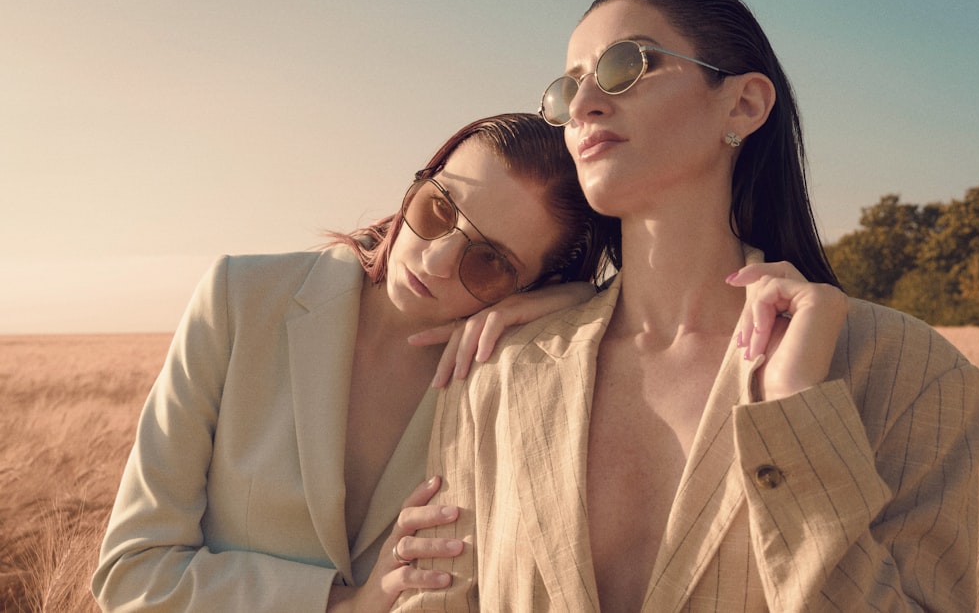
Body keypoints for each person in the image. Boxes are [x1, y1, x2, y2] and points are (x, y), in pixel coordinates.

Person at [396, 0, 979, 612]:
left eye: (626, 65)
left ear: (744, 106)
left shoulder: (911, 371)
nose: (586, 103)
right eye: (567, 89)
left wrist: (798, 418)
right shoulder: (499, 369)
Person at [91, 112, 615, 612]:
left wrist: (578, 302)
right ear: (419, 182)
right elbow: (132, 572)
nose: (434, 261)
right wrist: (340, 605)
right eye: (440, 209)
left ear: (534, 283)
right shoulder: (240, 299)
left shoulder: (513, 372)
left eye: (491, 262)